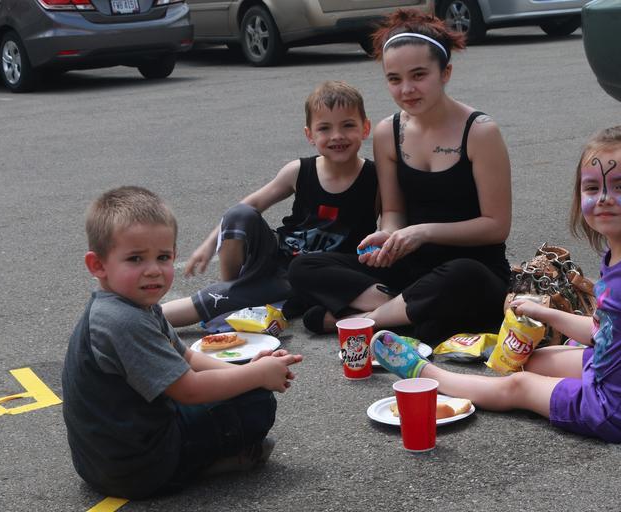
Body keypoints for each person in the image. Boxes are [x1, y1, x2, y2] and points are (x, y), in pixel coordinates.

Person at [372, 125, 621, 483]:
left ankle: (428, 375)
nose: (605, 198)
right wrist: (544, 313)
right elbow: (604, 331)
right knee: (536, 358)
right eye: (593, 188)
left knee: (520, 385)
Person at [61, 186, 303, 499]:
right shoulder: (123, 321)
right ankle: (199, 466)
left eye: (162, 257)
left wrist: (249, 371)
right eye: (135, 259)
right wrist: (256, 377)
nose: (153, 271)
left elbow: (186, 357)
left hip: (100, 463)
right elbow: (190, 390)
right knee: (256, 402)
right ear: (98, 265)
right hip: (140, 470)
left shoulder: (132, 303)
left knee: (244, 386)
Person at [287, 9, 511, 343]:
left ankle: (363, 320)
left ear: (445, 72)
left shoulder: (480, 131)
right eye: (394, 79)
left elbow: (496, 226)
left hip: (471, 269)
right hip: (410, 269)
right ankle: (404, 312)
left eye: (419, 75)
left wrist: (422, 232)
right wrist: (389, 237)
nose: (407, 89)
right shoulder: (388, 131)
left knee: (462, 277)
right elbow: (393, 211)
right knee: (304, 267)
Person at [160, 80, 378, 327]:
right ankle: (232, 288)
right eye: (324, 128)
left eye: (348, 125)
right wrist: (209, 244)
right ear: (310, 134)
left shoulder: (377, 177)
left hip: (314, 275)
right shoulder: (299, 171)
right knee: (240, 213)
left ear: (365, 128)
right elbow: (249, 205)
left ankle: (219, 300)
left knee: (213, 300)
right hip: (276, 258)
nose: (337, 136)